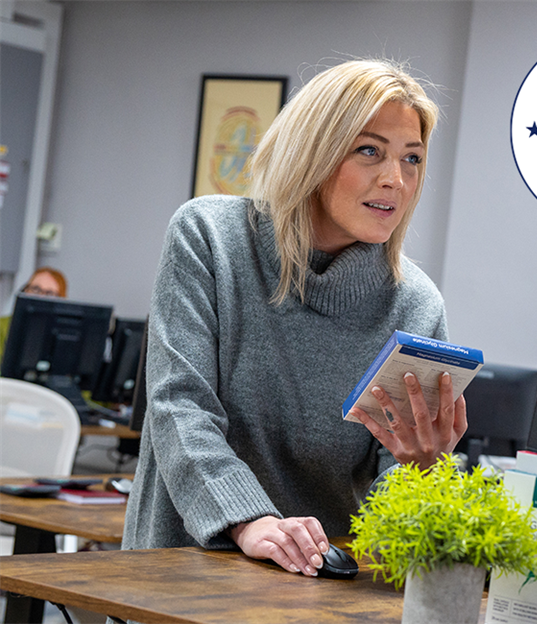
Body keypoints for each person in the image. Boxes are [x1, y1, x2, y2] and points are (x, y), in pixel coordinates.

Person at [121, 59, 468, 579]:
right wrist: (249, 521)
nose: (395, 179)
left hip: (318, 587)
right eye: (369, 150)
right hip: (182, 573)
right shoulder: (209, 236)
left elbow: (386, 501)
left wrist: (419, 470)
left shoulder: (417, 303)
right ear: (313, 151)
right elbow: (179, 406)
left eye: (412, 158)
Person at [0, 266, 67, 365]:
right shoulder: (2, 326)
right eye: (35, 289)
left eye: (50, 293)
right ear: (25, 291)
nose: (40, 297)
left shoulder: (63, 336)